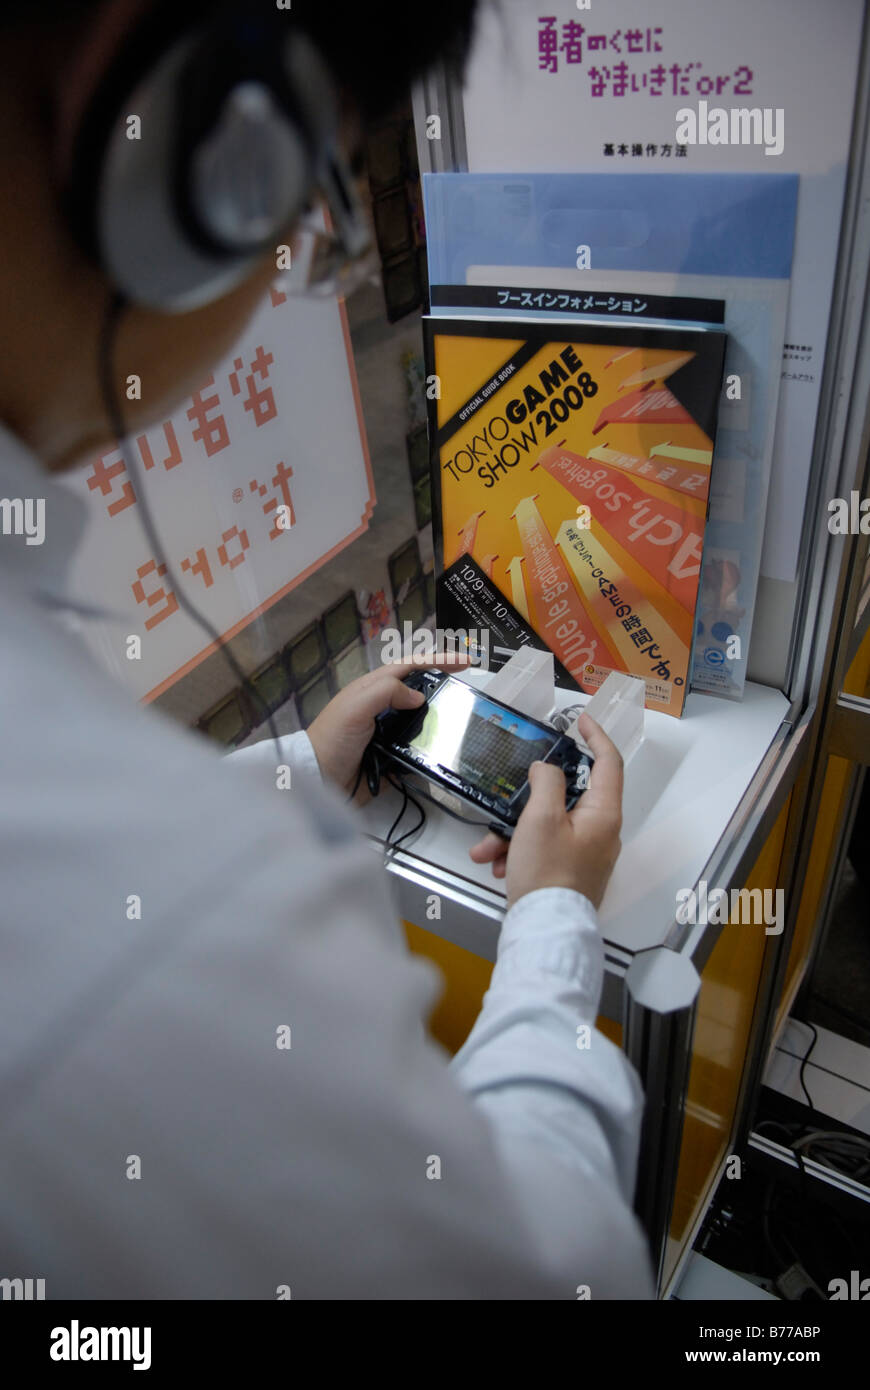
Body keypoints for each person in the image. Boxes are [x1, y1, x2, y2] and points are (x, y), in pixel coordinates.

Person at [0, 0, 653, 1299]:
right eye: (315, 201)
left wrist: (295, 772)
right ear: (195, 152)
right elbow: (552, 1274)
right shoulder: (182, 928)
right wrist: (553, 927)